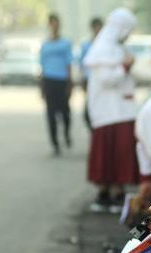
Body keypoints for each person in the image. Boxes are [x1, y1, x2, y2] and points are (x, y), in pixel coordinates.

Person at [83, 8, 139, 213]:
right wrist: (125, 67)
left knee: (116, 153)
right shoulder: (104, 48)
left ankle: (113, 193)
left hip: (119, 109)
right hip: (110, 111)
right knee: (113, 153)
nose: (129, 35)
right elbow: (107, 79)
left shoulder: (114, 47)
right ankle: (110, 193)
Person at [39, 13, 73, 155]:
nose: (54, 25)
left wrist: (70, 83)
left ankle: (66, 133)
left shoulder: (65, 44)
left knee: (65, 112)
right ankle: (55, 143)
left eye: (56, 22)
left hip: (62, 80)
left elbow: (69, 63)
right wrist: (40, 86)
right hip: (49, 80)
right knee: (50, 113)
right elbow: (42, 66)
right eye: (51, 23)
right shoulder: (45, 45)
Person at [79, 17, 104, 130]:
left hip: (103, 80)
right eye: (95, 28)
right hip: (90, 80)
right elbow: (83, 65)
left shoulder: (106, 46)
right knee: (88, 111)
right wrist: (82, 79)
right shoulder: (86, 45)